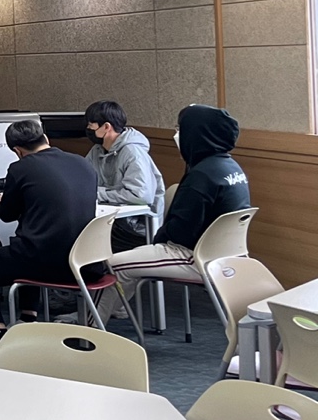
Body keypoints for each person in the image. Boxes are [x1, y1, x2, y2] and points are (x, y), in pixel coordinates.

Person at [0, 119, 99, 361]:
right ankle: (27, 319)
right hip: (88, 263)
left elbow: (7, 214)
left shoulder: (21, 168)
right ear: (45, 138)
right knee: (27, 245)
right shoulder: (82, 162)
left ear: (17, 151)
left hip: (46, 262)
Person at [102, 105, 250, 319]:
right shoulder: (231, 167)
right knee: (131, 260)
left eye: (181, 128)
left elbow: (181, 231)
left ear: (197, 133)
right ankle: (116, 308)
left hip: (194, 256)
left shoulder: (201, 175)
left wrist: (157, 241)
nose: (177, 134)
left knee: (113, 264)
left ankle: (89, 325)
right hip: (228, 254)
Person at [83, 99, 165, 251]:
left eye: (90, 125)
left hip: (136, 229)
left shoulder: (133, 152)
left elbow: (140, 196)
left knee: (83, 243)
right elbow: (84, 179)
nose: (88, 129)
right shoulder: (97, 150)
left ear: (106, 127)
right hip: (113, 221)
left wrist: (99, 194)